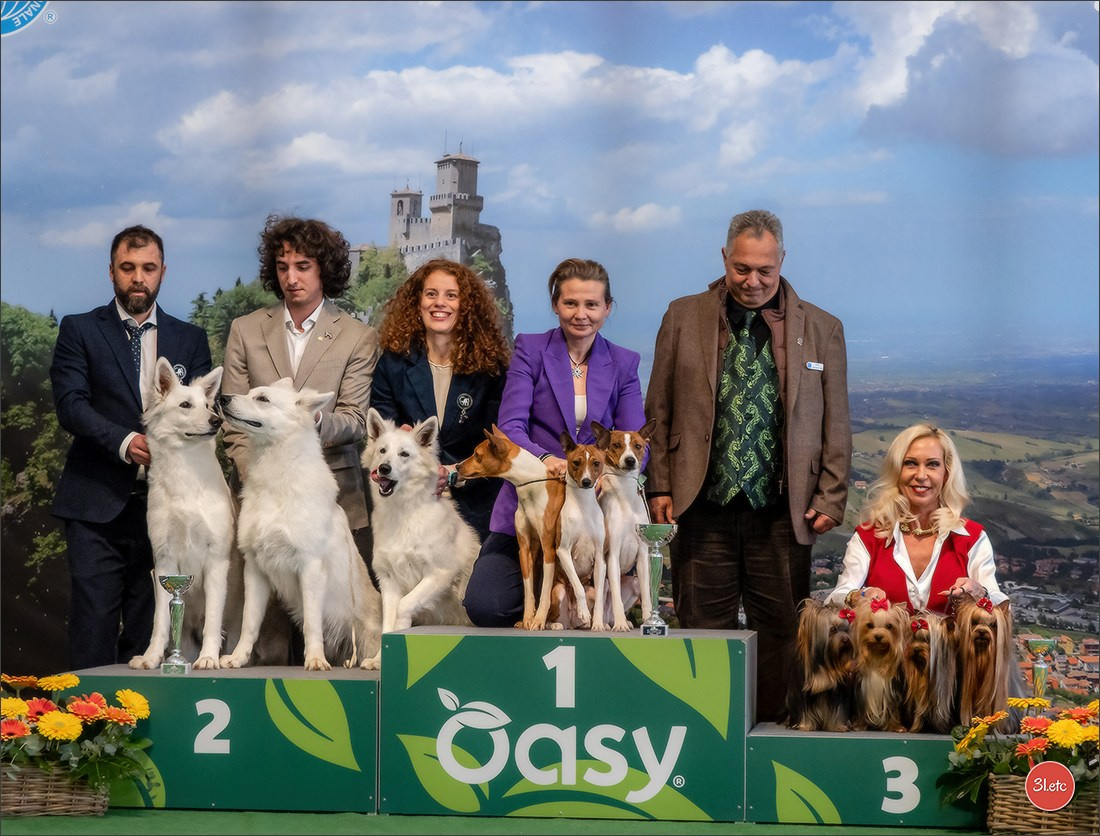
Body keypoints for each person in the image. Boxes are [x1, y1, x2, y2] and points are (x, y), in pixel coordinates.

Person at [644, 209, 851, 722]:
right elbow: (659, 407)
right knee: (700, 627)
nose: (752, 281)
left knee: (782, 630)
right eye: (741, 269)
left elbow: (837, 420)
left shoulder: (823, 328)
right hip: (701, 503)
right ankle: (705, 733)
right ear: (723, 258)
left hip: (784, 510)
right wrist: (660, 486)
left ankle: (772, 736)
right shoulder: (682, 315)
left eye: (764, 270)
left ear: (781, 260)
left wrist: (831, 494)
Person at [50, 224, 213, 669]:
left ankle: (147, 732)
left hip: (171, 505)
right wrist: (125, 442)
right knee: (93, 624)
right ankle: (85, 730)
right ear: (111, 272)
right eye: (127, 268)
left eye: (148, 268)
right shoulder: (79, 329)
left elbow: (201, 420)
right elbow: (71, 406)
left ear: (163, 272)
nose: (138, 277)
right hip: (97, 503)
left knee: (153, 633)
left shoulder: (190, 339)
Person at [221, 215, 380, 660]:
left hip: (336, 501)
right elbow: (233, 418)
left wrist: (312, 423)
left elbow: (352, 417)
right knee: (268, 646)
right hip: (261, 498)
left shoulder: (357, 337)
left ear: (324, 269)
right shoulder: (246, 330)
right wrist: (265, 480)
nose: (291, 277)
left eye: (303, 266)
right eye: (283, 265)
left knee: (351, 636)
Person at [463, 257, 646, 627]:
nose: (582, 314)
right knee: (486, 605)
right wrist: (548, 459)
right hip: (531, 506)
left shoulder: (625, 363)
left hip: (596, 507)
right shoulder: (530, 350)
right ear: (555, 305)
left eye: (592, 304)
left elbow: (638, 443)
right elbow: (510, 427)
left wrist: (600, 476)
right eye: (571, 303)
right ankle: (550, 609)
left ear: (607, 308)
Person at [370, 258, 510, 542]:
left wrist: (453, 473)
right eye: (431, 294)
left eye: (451, 295)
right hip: (407, 506)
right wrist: (399, 436)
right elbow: (382, 431)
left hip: (475, 508)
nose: (439, 303)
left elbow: (497, 442)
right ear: (417, 302)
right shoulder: (393, 363)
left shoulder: (491, 369)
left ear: (466, 306)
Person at [826, 423, 1008, 614]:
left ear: (946, 473)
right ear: (897, 471)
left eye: (932, 464)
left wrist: (981, 593)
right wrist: (857, 596)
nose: (921, 475)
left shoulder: (972, 538)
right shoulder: (868, 537)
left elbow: (1000, 602)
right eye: (910, 463)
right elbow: (834, 598)